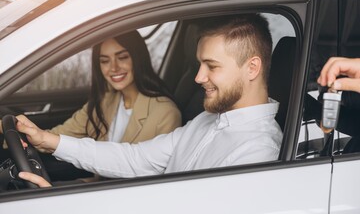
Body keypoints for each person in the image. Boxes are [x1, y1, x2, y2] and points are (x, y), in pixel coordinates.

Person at [16, 13, 283, 187]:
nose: (199, 77)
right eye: (199, 64)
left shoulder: (259, 151)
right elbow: (135, 158)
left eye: (211, 66)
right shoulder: (206, 121)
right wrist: (49, 141)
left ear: (252, 68)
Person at [1, 30, 181, 144]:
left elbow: (156, 176)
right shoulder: (105, 100)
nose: (114, 68)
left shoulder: (165, 113)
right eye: (104, 61)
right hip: (96, 185)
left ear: (137, 58)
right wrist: (15, 133)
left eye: (123, 57)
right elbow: (59, 135)